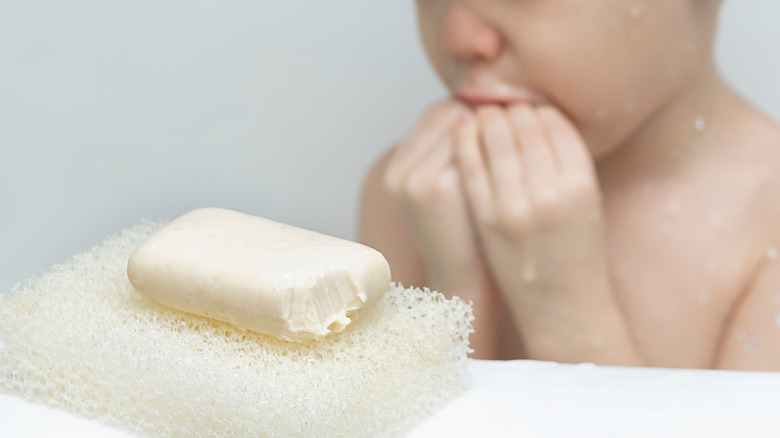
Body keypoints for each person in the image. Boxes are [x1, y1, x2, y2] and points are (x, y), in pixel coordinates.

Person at [358, 0, 780, 371]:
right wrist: (456, 308)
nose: (460, 36)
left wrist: (564, 318)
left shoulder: (765, 226)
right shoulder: (414, 194)